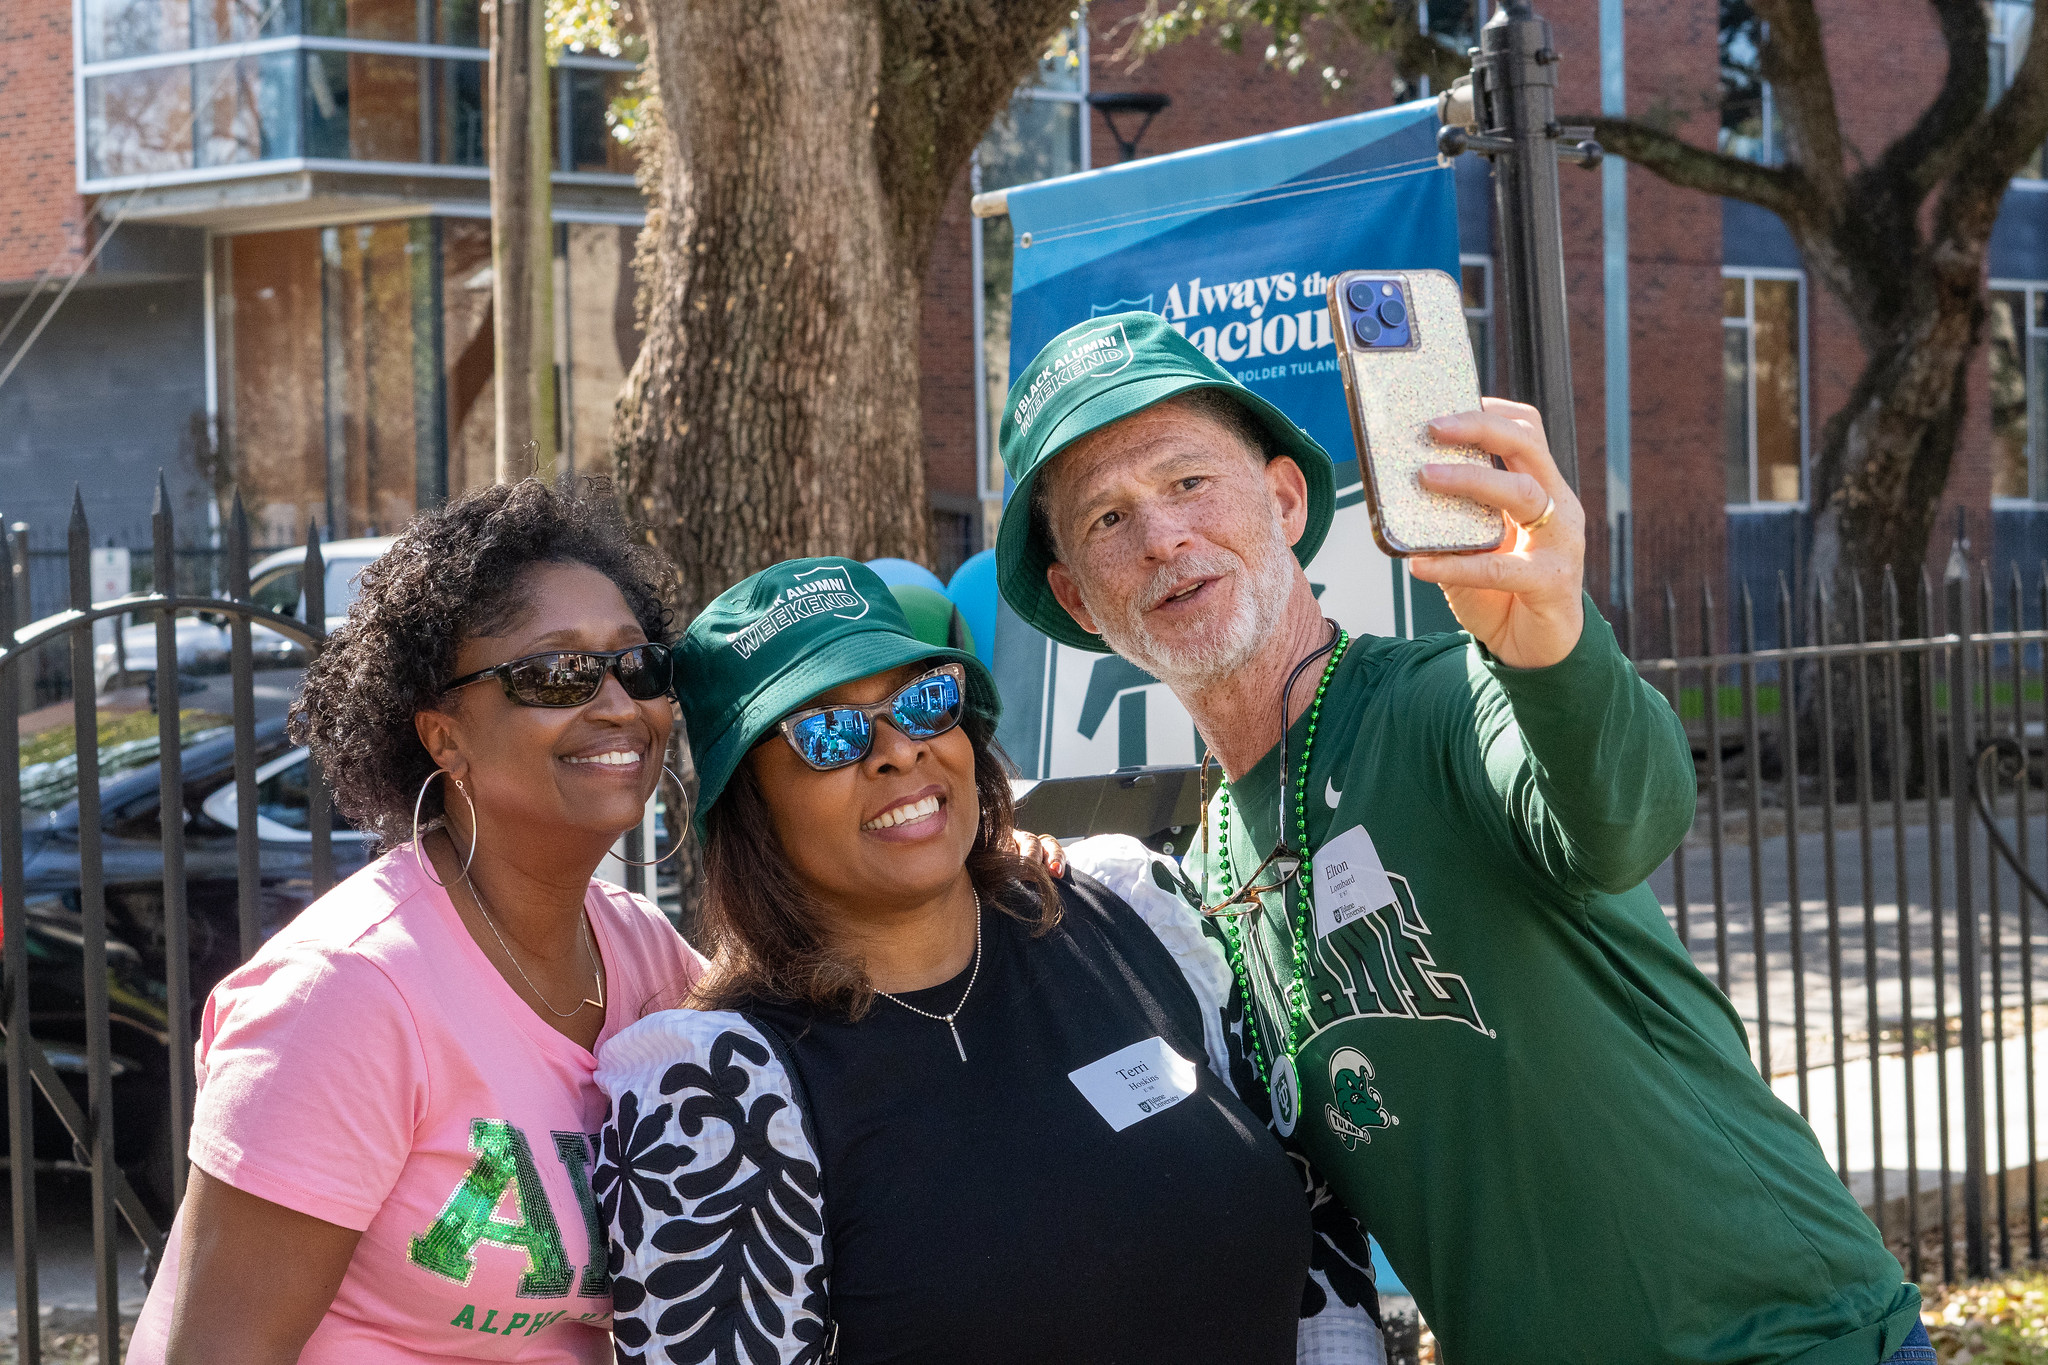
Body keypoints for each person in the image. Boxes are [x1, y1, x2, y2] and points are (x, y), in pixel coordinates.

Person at [993, 311, 1934, 1365]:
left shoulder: (1447, 697)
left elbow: (1624, 818)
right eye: (1108, 519)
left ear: (1285, 498)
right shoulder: (1206, 876)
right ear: (1078, 595)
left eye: (1185, 482)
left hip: (1784, 1346)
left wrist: (1555, 653)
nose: (1162, 538)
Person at [592, 557, 1384, 1365]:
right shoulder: (718, 1096)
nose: (900, 751)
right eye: (830, 732)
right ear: (750, 807)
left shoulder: (1136, 908)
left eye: (925, 701)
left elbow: (1318, 1219)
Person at [129, 478, 709, 1365]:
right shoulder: (347, 996)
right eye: (558, 673)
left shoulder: (647, 958)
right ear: (444, 737)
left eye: (639, 664)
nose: (618, 704)